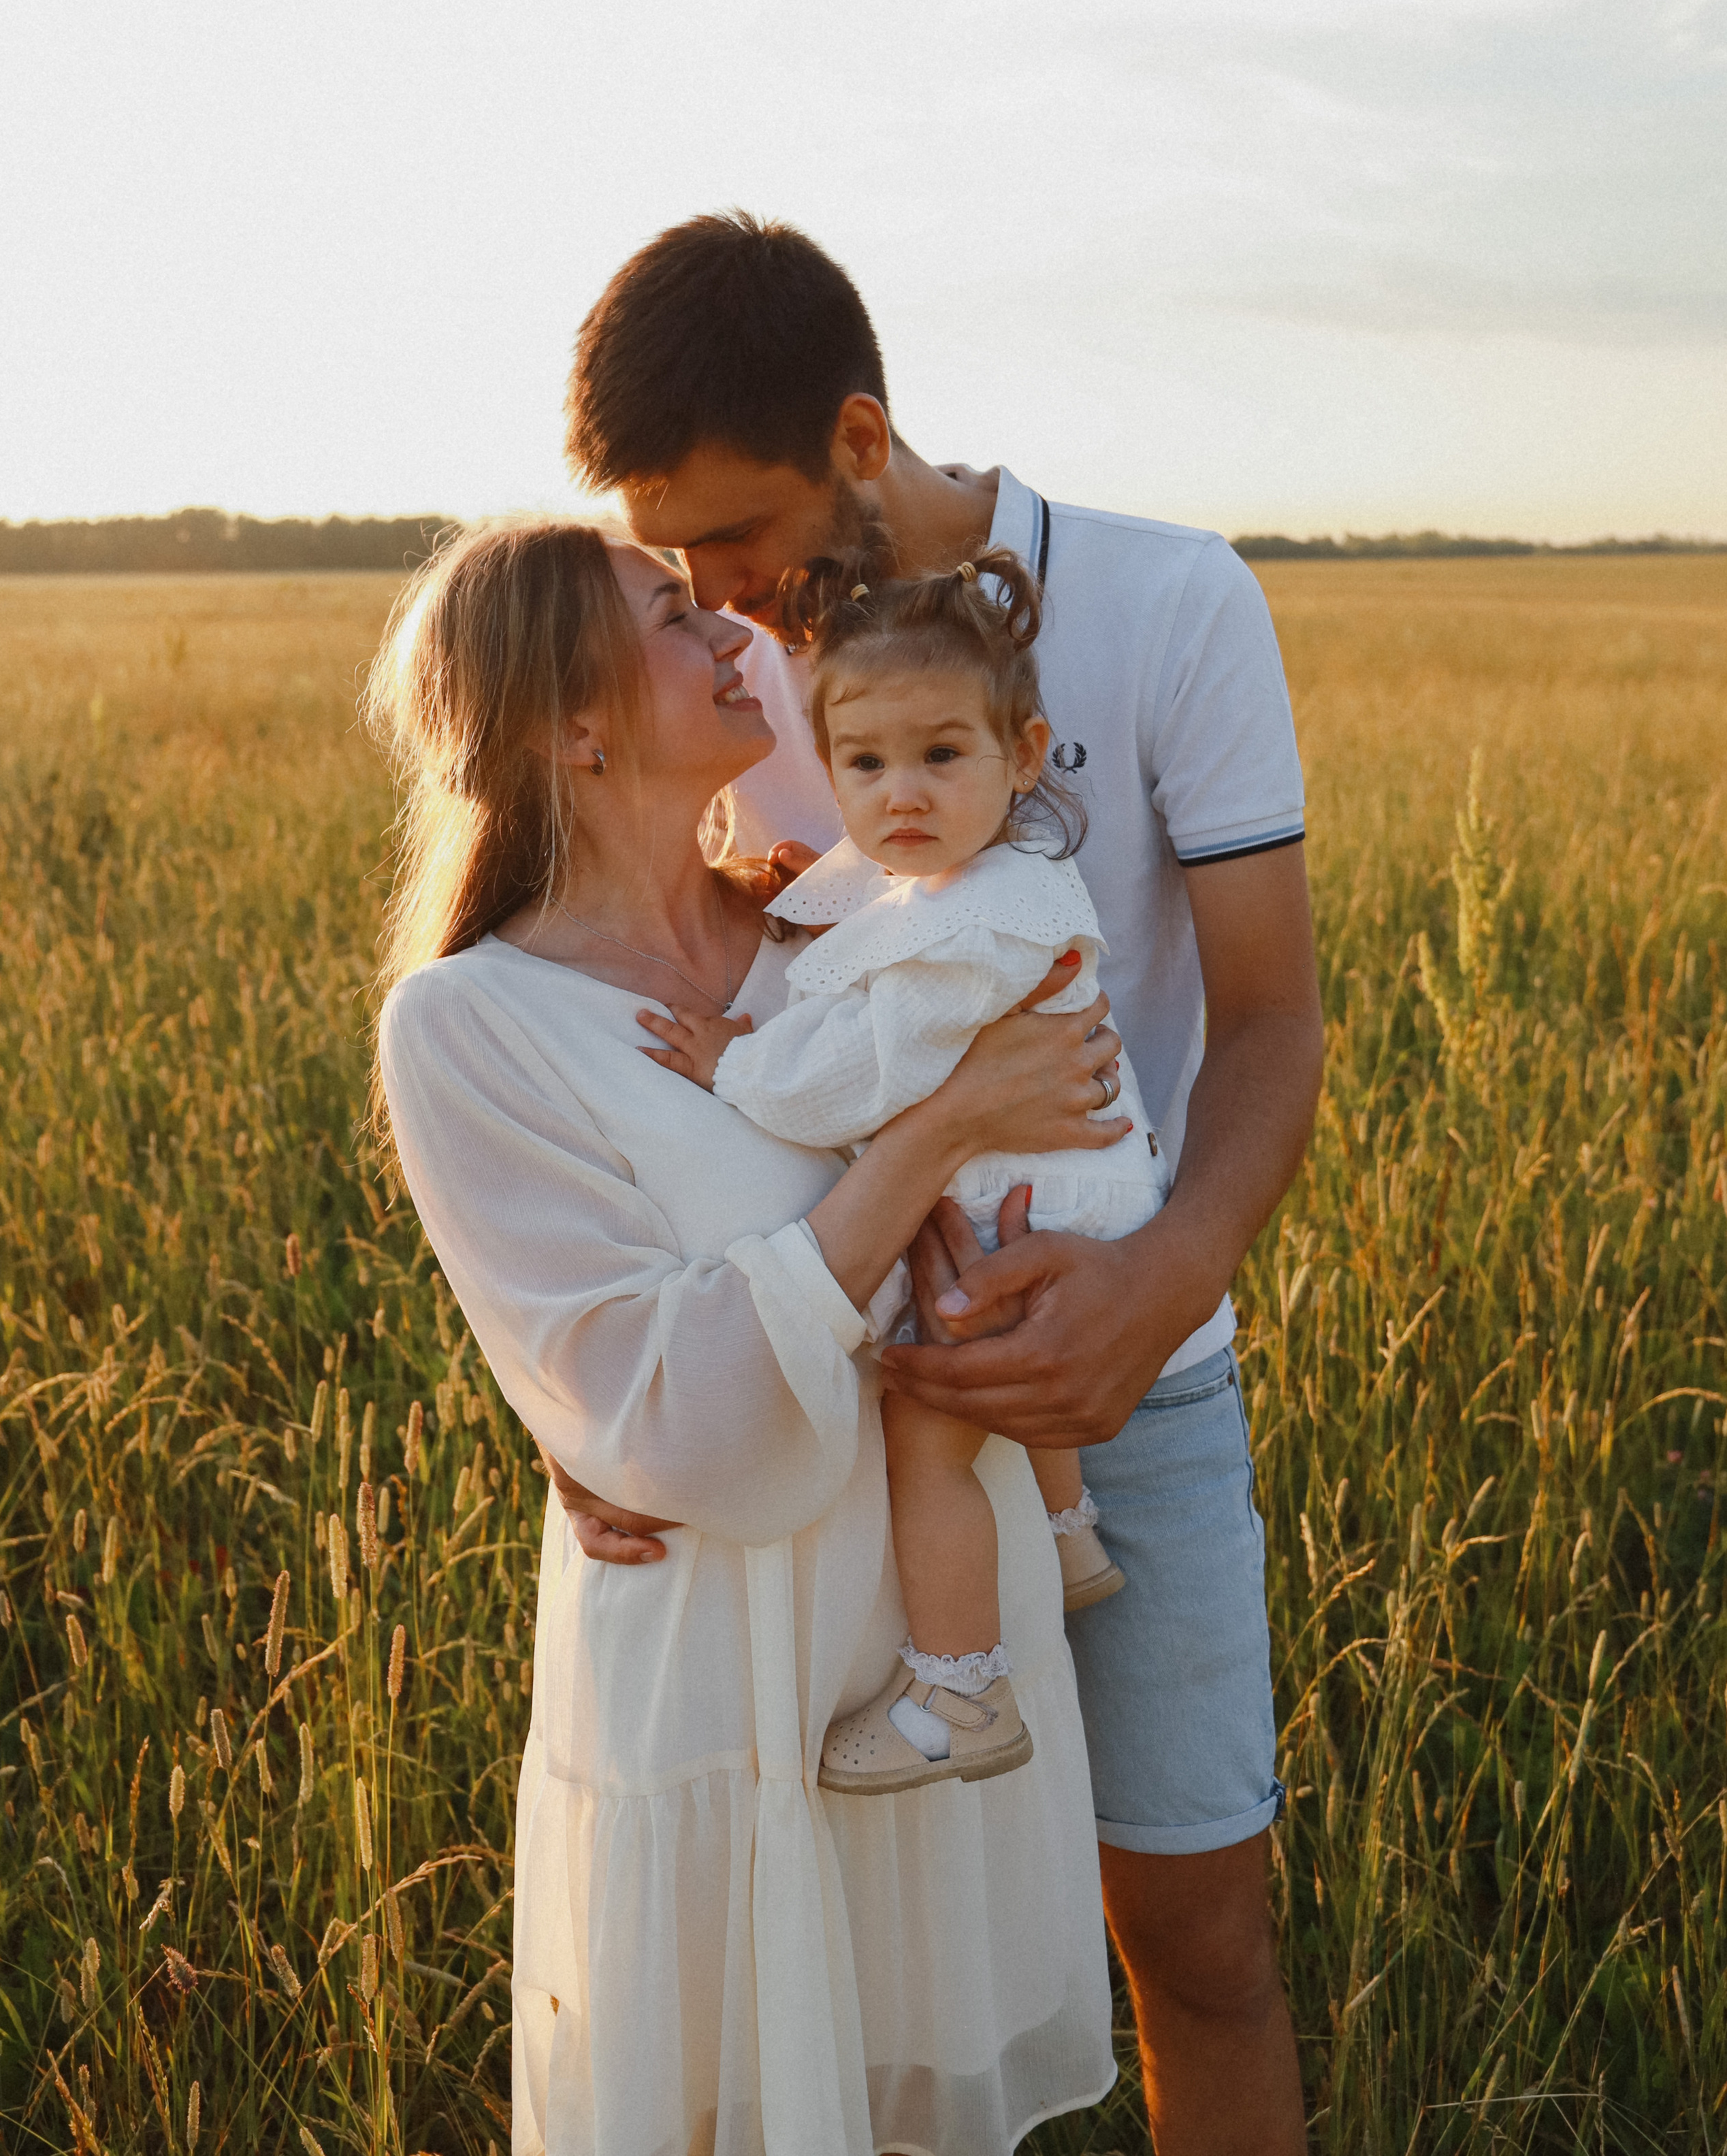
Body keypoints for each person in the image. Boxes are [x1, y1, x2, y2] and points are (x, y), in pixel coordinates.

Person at [558, 213, 1325, 2156]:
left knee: (1196, 1938)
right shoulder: (729, 697)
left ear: (860, 430)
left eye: (732, 536)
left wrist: (1151, 1289)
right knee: (875, 1988)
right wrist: (607, 1404)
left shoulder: (1176, 603)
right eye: (673, 562)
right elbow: (636, 1044)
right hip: (843, 1402)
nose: (711, 592)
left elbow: (1268, 1026)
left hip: (1132, 1379)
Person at [368, 517, 1129, 2156]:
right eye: (668, 617)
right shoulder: (471, 1024)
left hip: (929, 1678)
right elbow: (677, 1423)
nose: (730, 633)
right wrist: (928, 1140)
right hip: (730, 1688)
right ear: (571, 726)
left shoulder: (842, 934)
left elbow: (1057, 1165)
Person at [645, 545, 1168, 1798]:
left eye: (942, 756)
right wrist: (793, 901)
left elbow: (862, 1074)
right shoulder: (988, 871)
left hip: (1029, 1203)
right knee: (984, 1357)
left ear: (1023, 756)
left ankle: (959, 1692)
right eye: (865, 766)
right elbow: (865, 891)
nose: (902, 796)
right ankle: (1065, 1529)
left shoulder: (976, 926)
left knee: (927, 1440)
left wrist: (738, 1064)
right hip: (1065, 1184)